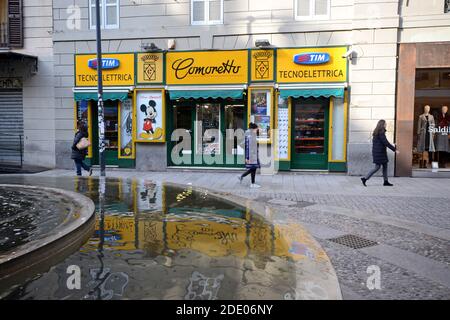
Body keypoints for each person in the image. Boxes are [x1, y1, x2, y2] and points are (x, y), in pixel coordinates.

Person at [361, 120, 399, 186]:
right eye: (385, 124)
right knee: (377, 167)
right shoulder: (381, 133)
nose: (386, 125)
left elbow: (381, 143)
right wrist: (395, 150)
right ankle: (365, 178)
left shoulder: (376, 132)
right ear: (382, 124)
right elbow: (386, 143)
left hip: (378, 152)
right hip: (380, 153)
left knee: (385, 166)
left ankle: (386, 181)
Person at [238, 122, 260, 188]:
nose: (257, 130)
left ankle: (244, 177)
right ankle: (251, 183)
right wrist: (247, 157)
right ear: (253, 129)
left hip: (252, 155)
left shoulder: (250, 135)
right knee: (253, 168)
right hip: (251, 155)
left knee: (253, 168)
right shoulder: (251, 136)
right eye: (256, 129)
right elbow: (249, 147)